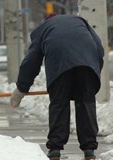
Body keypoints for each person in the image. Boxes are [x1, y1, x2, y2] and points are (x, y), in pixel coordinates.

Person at [9, 14, 104, 160]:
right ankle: (89, 149)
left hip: (59, 65)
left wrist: (21, 89)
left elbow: (31, 62)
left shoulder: (43, 30)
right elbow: (98, 48)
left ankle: (55, 149)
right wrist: (93, 72)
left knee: (59, 104)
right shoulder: (79, 21)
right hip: (87, 64)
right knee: (85, 102)